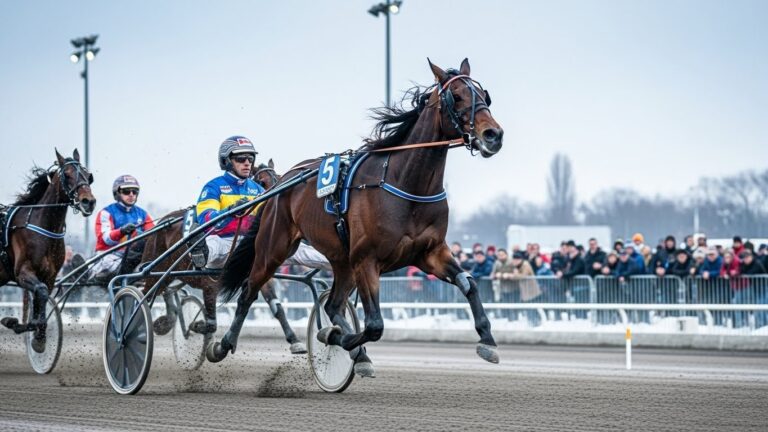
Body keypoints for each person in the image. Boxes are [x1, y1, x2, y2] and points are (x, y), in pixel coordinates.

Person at [194, 136, 329, 271]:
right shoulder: (213, 187)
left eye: (251, 159)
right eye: (241, 159)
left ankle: (346, 263)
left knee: (307, 251)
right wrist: (231, 211)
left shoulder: (258, 189)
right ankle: (200, 253)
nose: (247, 163)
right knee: (213, 243)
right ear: (226, 161)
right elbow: (206, 221)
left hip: (257, 245)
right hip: (225, 242)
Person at [87, 175, 155, 280]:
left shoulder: (143, 214)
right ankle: (88, 270)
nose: (131, 194)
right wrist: (122, 231)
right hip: (109, 256)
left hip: (135, 258)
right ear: (117, 193)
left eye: (135, 191)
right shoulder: (106, 212)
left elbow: (153, 236)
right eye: (126, 191)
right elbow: (106, 239)